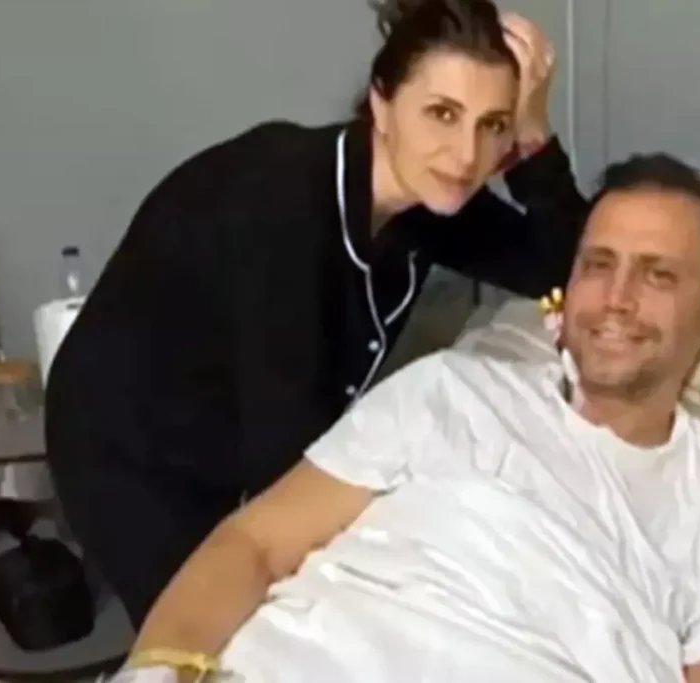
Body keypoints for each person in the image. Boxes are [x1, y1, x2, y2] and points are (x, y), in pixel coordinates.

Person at [111, 154, 700, 683]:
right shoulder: (452, 388)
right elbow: (255, 543)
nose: (616, 298)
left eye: (658, 275)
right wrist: (158, 672)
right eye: (599, 264)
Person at [44, 0, 588, 627]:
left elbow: (573, 272)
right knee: (212, 637)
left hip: (234, 428)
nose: (467, 155)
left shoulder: (430, 195)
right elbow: (283, 461)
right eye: (441, 113)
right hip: (128, 445)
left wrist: (531, 138)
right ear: (382, 102)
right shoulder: (279, 204)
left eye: (492, 124)